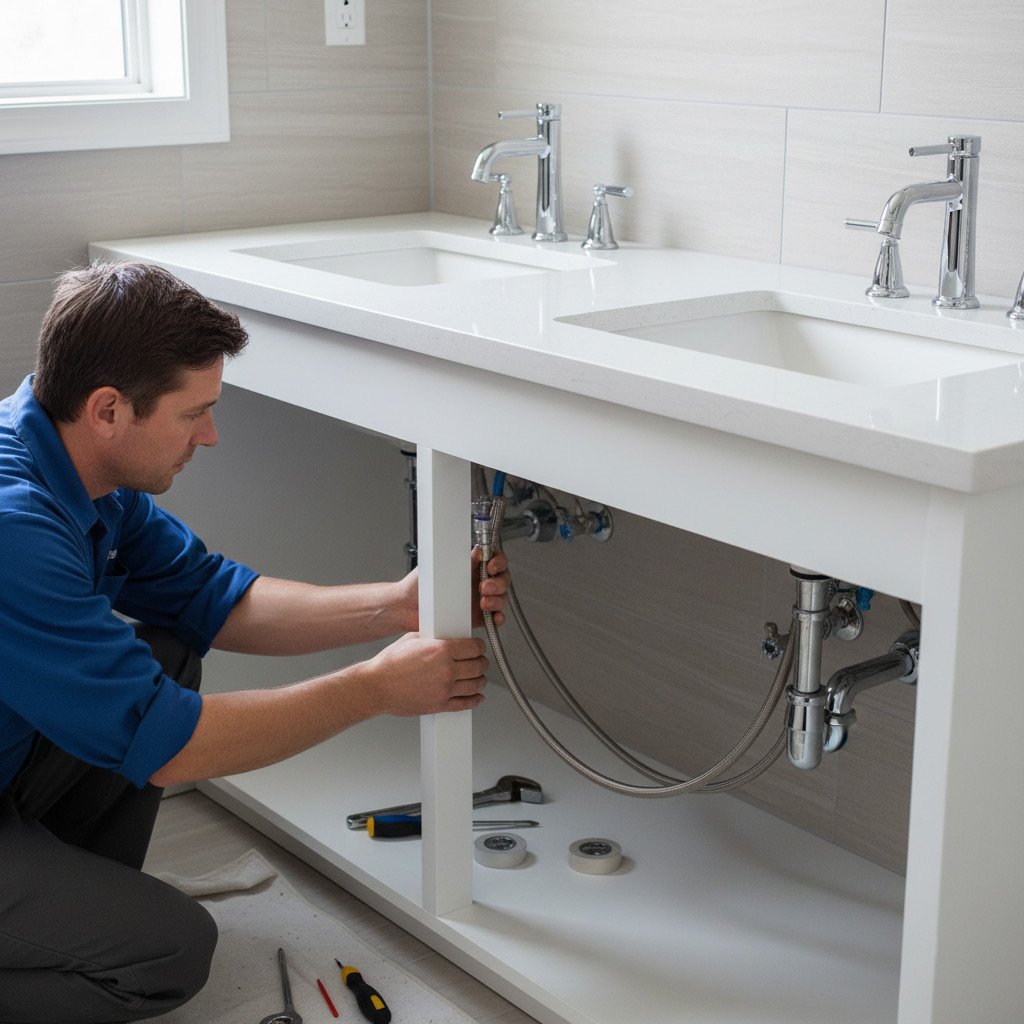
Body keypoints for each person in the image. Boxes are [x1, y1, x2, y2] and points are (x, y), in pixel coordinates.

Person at [0, 261, 509, 1023]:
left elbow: (212, 597)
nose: (210, 435)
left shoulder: (77, 468)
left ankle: (64, 906)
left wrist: (398, 605)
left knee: (171, 651)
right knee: (166, 955)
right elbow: (173, 747)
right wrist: (373, 689)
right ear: (108, 409)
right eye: (193, 413)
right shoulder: (15, 527)